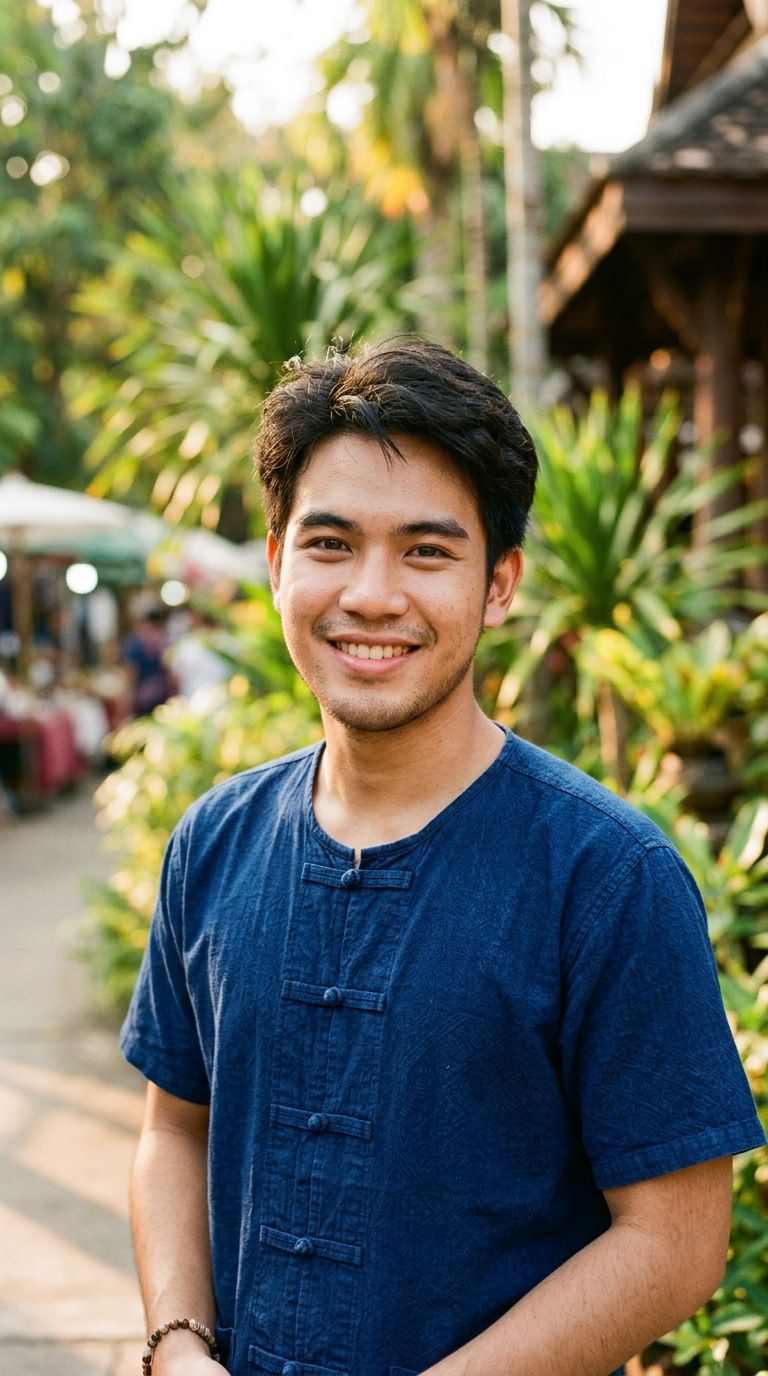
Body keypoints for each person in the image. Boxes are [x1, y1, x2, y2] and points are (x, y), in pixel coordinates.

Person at [121, 338, 765, 1376]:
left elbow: (677, 1242)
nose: (373, 595)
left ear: (499, 583)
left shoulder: (608, 876)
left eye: (427, 551)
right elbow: (174, 1131)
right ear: (278, 561)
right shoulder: (213, 841)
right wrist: (177, 1345)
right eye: (331, 543)